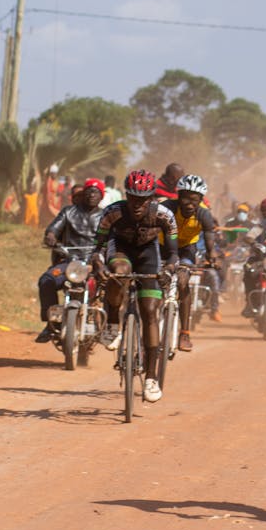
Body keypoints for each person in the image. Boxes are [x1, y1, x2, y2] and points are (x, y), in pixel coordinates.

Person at [91, 170, 179, 403]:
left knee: (150, 311)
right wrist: (99, 265)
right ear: (126, 195)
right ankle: (112, 322)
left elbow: (172, 255)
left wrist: (168, 271)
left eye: (143, 199)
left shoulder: (164, 215)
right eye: (132, 198)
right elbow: (97, 249)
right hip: (120, 250)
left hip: (149, 254)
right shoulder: (112, 213)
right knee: (118, 273)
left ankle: (151, 378)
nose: (137, 204)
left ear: (152, 197)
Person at [35, 178, 105, 343]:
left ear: (102, 196)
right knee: (46, 280)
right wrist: (51, 237)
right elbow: (53, 229)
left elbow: (113, 238)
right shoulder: (68, 212)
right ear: (83, 194)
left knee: (114, 284)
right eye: (89, 191)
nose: (92, 195)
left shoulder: (106, 216)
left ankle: (109, 326)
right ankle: (51, 323)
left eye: (96, 192)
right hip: (69, 263)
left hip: (95, 264)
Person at [162, 174, 221, 351]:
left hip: (186, 249)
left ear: (201, 200)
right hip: (161, 246)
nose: (189, 203)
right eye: (185, 198)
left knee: (182, 281)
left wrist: (213, 257)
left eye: (194, 200)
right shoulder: (166, 208)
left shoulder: (204, 214)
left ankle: (185, 333)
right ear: (178, 196)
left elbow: (209, 241)